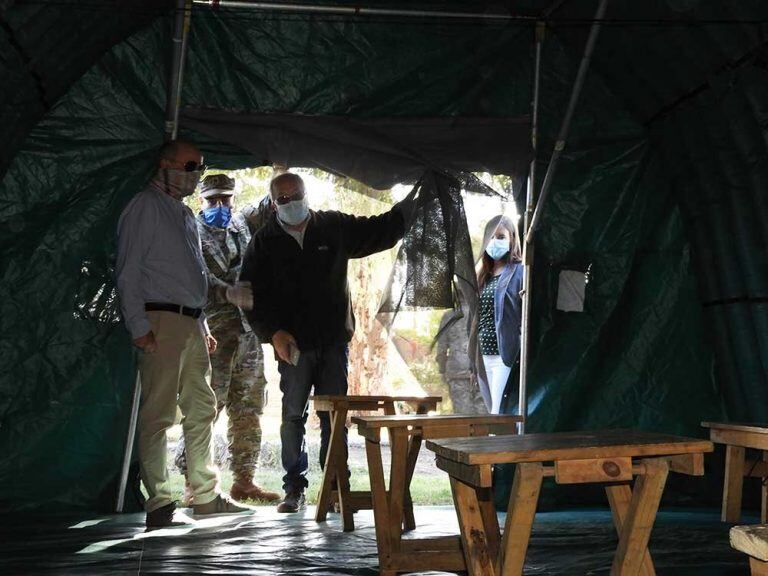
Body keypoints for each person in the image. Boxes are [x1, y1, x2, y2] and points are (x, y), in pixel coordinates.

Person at [239, 171, 415, 513]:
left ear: (308, 195)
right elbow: (250, 296)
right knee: (292, 415)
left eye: (296, 195)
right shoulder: (264, 241)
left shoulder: (333, 226)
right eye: (283, 199)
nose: (291, 203)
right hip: (292, 346)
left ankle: (336, 486)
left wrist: (413, 205)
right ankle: (294, 488)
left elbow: (380, 230)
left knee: (335, 417)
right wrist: (272, 333)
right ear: (274, 203)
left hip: (334, 342)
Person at [116, 140, 250, 530]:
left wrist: (203, 323)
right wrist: (139, 327)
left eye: (200, 166)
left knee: (202, 408)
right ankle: (159, 501)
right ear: (165, 164)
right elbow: (128, 271)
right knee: (159, 412)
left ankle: (205, 496)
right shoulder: (143, 206)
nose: (196, 174)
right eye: (191, 165)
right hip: (161, 320)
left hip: (190, 321)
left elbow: (190, 276)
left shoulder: (185, 214)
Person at [175, 174, 280, 503]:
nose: (219, 206)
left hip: (247, 333)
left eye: (225, 199)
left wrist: (280, 165)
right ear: (201, 200)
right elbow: (190, 276)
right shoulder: (188, 230)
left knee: (249, 408)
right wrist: (225, 292)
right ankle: (194, 482)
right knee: (206, 408)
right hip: (211, 333)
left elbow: (270, 202)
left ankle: (244, 481)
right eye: (212, 200)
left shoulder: (242, 223)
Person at [475, 214, 523, 414]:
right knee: (490, 411)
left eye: (501, 237)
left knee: (498, 412)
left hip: (504, 355)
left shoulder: (520, 271)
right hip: (482, 354)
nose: (495, 242)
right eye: (491, 237)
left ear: (512, 238)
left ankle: (499, 446)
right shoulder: (482, 275)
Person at [436, 290, 487, 414]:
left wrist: (442, 370)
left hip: (456, 371)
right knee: (483, 411)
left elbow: (441, 349)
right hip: (481, 368)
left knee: (462, 414)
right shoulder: (482, 313)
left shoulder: (449, 317)